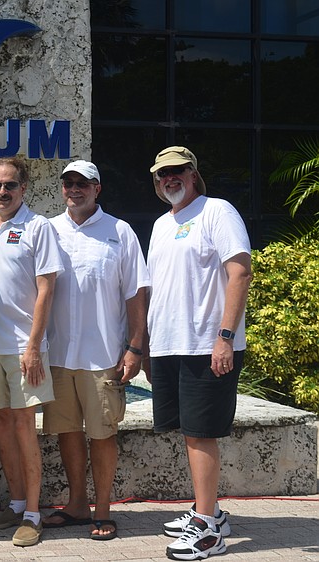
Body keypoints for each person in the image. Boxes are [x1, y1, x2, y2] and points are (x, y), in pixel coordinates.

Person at [146, 146, 251, 561]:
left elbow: (239, 271)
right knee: (189, 431)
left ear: (193, 174)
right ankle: (210, 511)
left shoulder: (217, 211)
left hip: (207, 345)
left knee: (202, 434)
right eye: (161, 175)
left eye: (176, 172)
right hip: (171, 345)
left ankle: (207, 531)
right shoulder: (160, 224)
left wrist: (224, 337)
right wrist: (152, 347)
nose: (168, 179)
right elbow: (158, 288)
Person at [41, 160, 149, 542]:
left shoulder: (120, 232)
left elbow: (137, 292)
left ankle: (103, 509)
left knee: (102, 433)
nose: (75, 189)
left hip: (102, 355)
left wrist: (136, 347)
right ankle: (76, 505)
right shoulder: (48, 230)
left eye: (83, 184)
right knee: (67, 432)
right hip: (57, 355)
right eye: (68, 183)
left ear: (97, 189)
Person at [0, 157, 63, 547]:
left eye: (10, 185)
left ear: (24, 187)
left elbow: (47, 290)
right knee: (2, 427)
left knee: (26, 428)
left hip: (24, 348)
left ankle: (32, 514)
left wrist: (34, 347)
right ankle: (16, 501)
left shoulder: (38, 227)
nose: (2, 192)